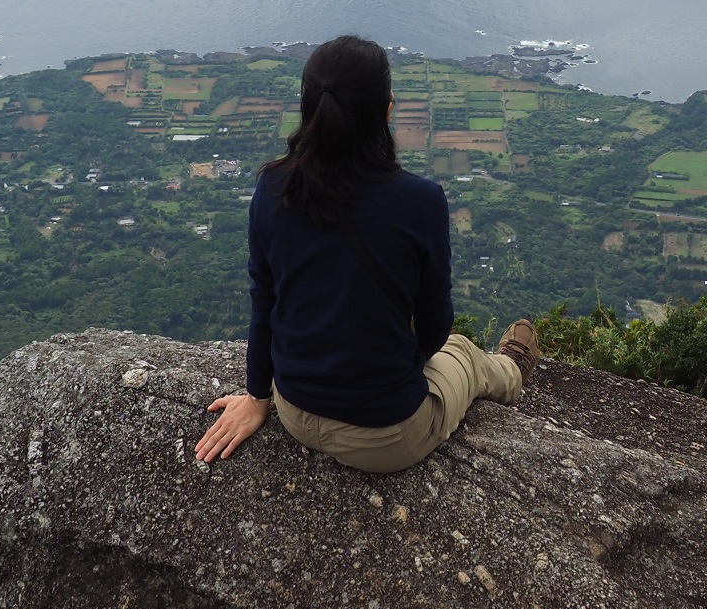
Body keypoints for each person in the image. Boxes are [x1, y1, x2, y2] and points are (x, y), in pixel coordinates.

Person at [195, 34, 540, 473]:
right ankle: (513, 369)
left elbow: (265, 302)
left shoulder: (272, 187)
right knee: (462, 353)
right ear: (386, 111)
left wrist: (257, 396)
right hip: (386, 436)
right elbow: (435, 325)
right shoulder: (420, 200)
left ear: (308, 108)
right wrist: (393, 369)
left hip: (294, 411)